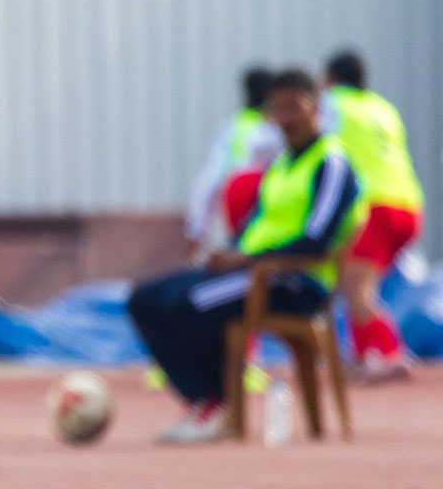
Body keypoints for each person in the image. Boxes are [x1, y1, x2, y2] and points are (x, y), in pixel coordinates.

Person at [129, 69, 363, 444]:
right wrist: (228, 253)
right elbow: (254, 227)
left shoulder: (331, 162)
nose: (286, 117)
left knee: (190, 303)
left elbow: (317, 241)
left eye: (295, 107)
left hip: (294, 281)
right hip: (253, 272)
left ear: (315, 107)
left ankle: (218, 404)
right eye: (278, 109)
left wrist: (248, 261)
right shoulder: (281, 166)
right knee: (145, 298)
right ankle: (200, 399)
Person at [321, 49, 425, 382]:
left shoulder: (333, 103)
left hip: (373, 206)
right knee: (359, 282)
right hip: (408, 204)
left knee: (355, 287)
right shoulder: (383, 108)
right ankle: (366, 354)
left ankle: (389, 352)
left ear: (331, 78)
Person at [182, 65, 283, 257]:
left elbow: (208, 184)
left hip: (232, 224)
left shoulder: (231, 128)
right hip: (268, 228)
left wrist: (196, 233)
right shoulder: (276, 132)